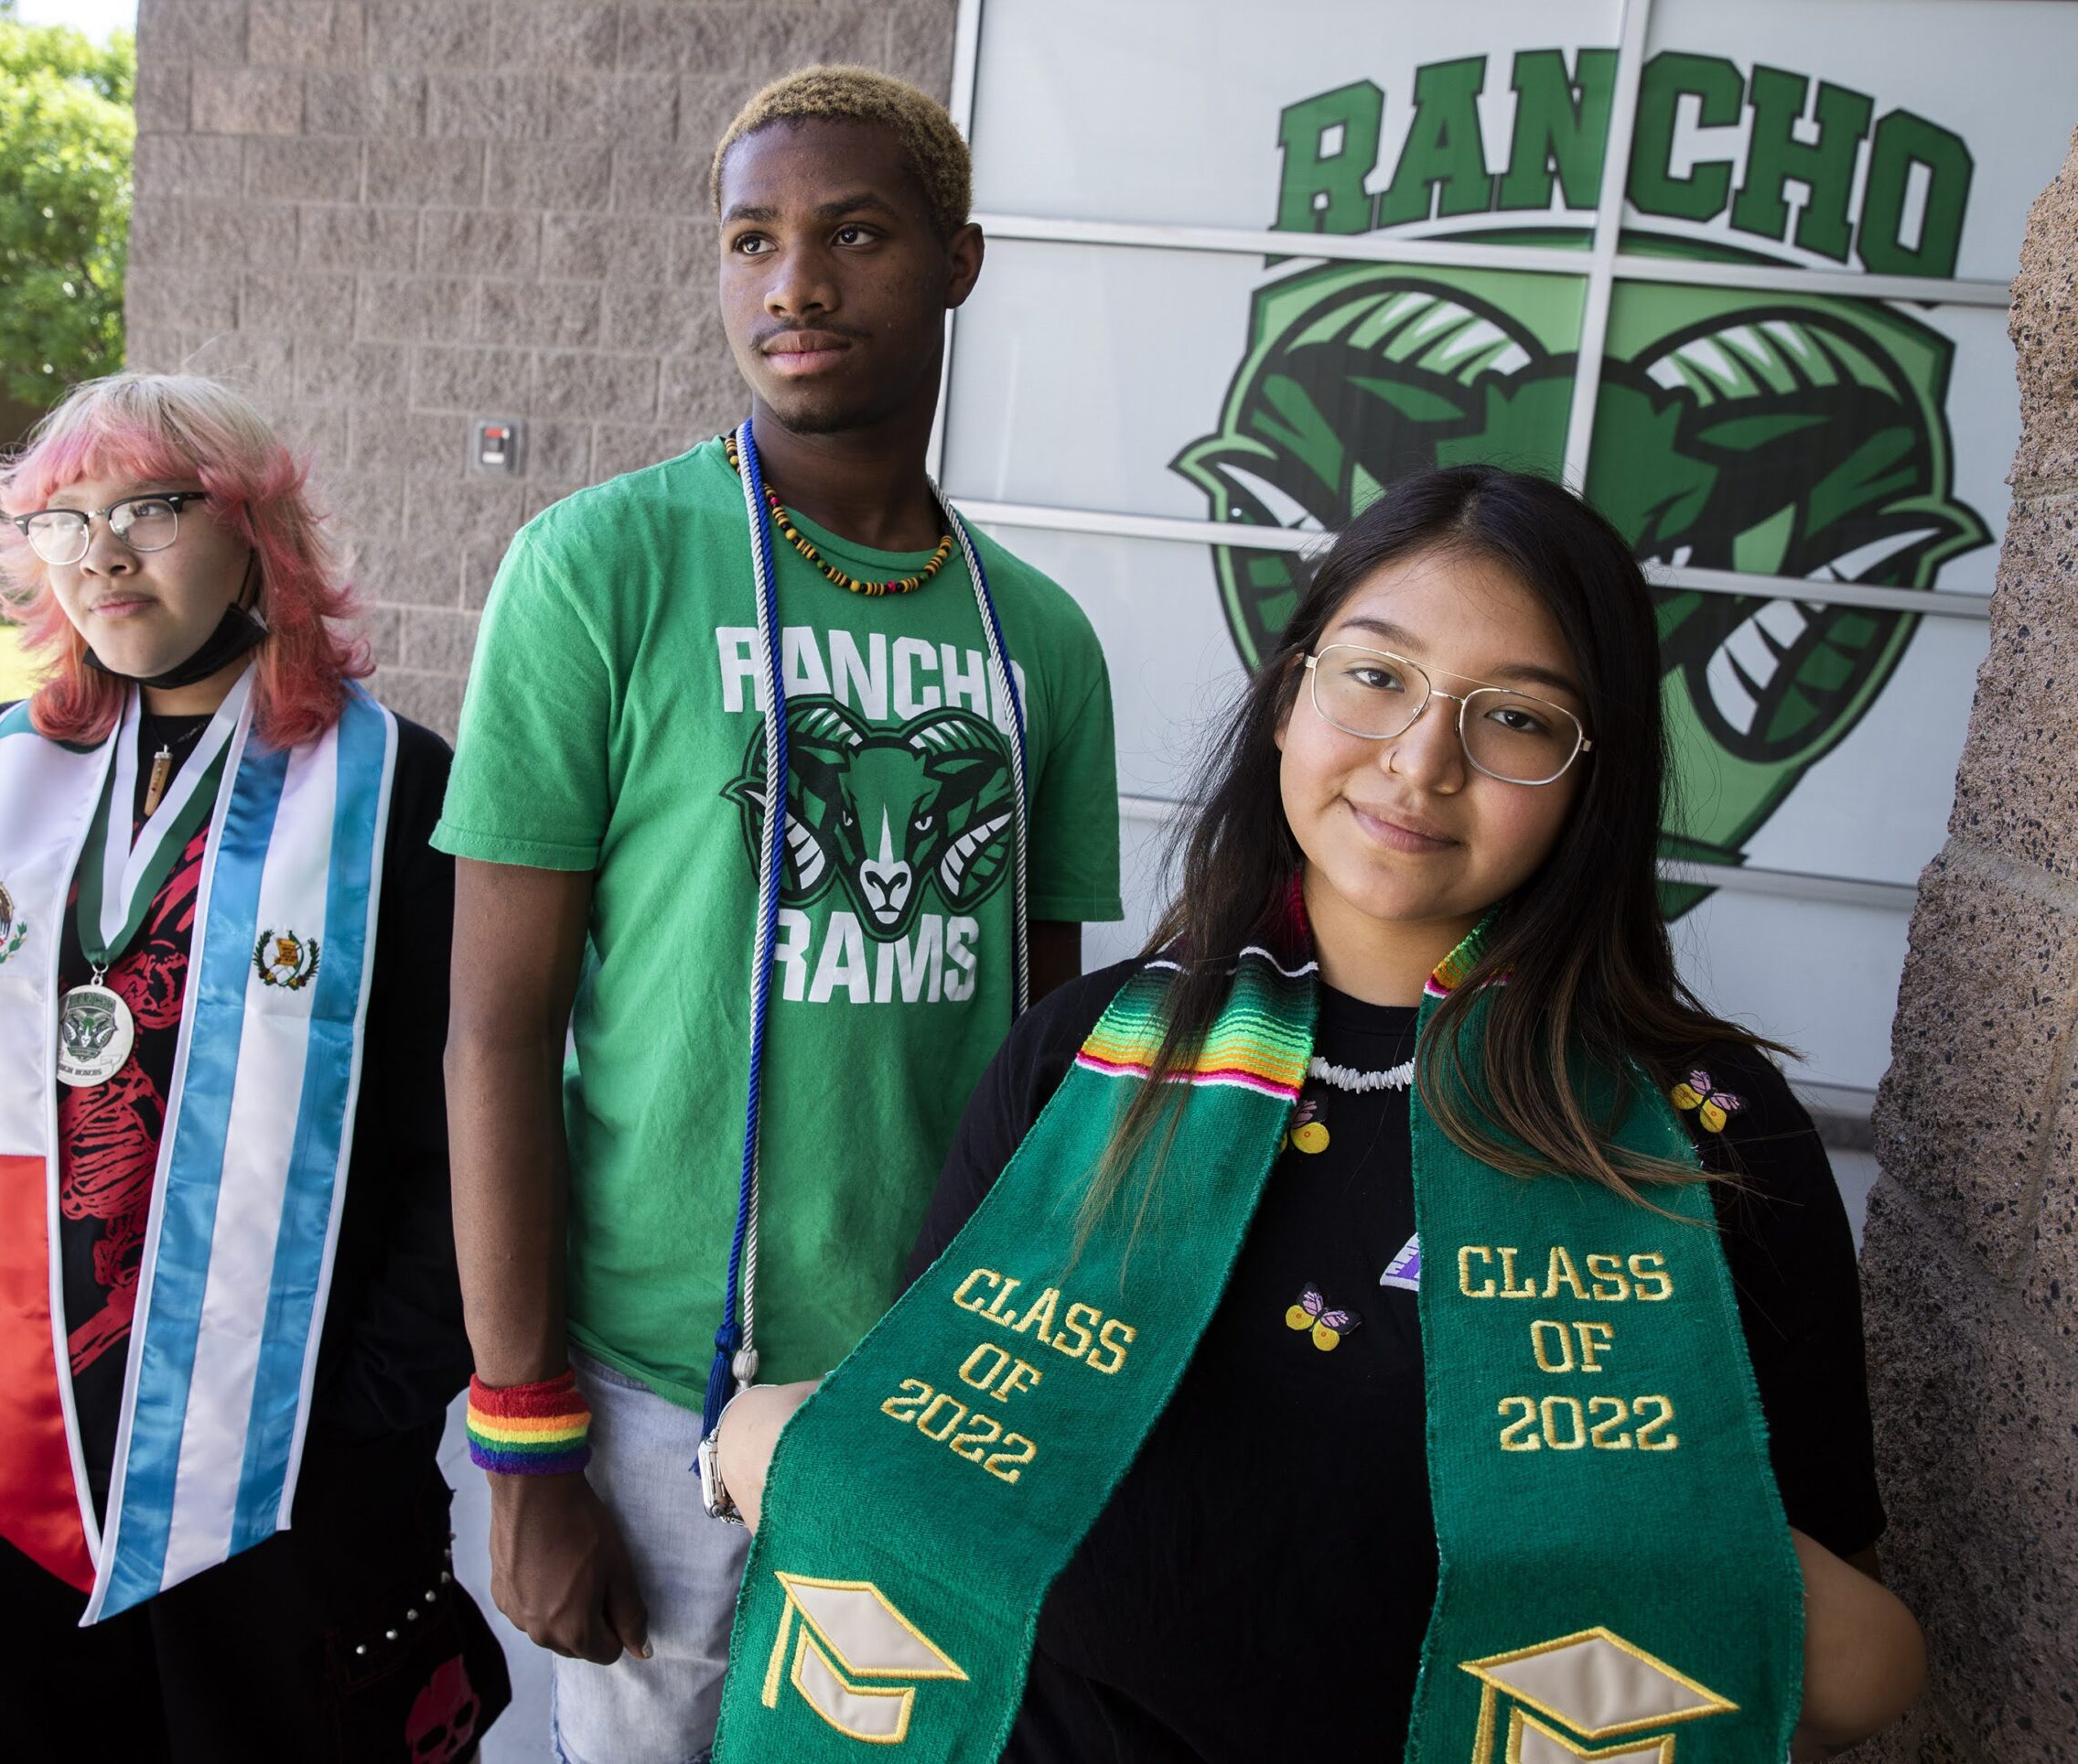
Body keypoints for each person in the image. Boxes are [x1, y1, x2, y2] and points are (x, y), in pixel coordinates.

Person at [710, 466, 1925, 1761]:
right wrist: (764, 1437)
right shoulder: (1083, 1062)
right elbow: (922, 1469)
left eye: (1516, 719)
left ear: (1592, 778)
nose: (1419, 763)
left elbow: (1843, 1665)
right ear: (1290, 696)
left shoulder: (1705, 1139)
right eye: (1376, 676)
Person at [435, 64, 1123, 1764]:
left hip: (928, 1391)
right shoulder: (602, 568)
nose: (793, 286)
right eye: (752, 240)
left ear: (959, 262)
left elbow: (1053, 1065)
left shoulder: (1040, 638)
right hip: (656, 1395)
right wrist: (525, 1446)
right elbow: (496, 1033)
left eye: (856, 235)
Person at [0, 371, 510, 1762]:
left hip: (281, 1488)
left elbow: (464, 1147)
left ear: (258, 535)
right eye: (63, 517)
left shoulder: (395, 794)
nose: (102, 552)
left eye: (151, 509)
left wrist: (358, 1427)